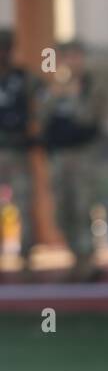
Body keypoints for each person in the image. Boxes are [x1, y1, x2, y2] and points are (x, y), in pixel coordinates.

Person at [39, 40, 106, 282]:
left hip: (83, 156)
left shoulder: (91, 87)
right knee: (62, 210)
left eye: (76, 56)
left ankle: (88, 261)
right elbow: (45, 120)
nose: (72, 61)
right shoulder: (55, 87)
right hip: (60, 157)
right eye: (68, 56)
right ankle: (75, 258)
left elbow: (89, 122)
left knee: (84, 207)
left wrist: (73, 101)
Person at [0, 28, 37, 273]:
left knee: (23, 202)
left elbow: (43, 104)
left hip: (17, 149)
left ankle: (25, 254)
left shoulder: (24, 78)